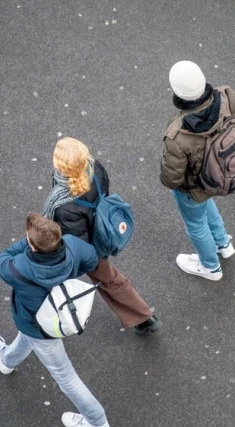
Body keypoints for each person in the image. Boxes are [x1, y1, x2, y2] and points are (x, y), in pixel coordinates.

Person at [0, 213, 109, 427]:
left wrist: (29, 241)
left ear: (33, 247)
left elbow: (2, 258)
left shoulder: (18, 269)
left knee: (66, 377)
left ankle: (97, 422)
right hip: (57, 316)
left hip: (36, 324)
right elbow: (92, 259)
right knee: (28, 339)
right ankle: (6, 360)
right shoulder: (72, 246)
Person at [43, 137, 162, 335]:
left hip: (88, 247)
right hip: (101, 233)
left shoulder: (65, 205)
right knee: (110, 279)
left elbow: (76, 243)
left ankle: (44, 316)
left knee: (46, 276)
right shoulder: (94, 168)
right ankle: (144, 317)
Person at [160, 60, 235, 281]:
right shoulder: (228, 96)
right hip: (221, 175)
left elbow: (172, 178)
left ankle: (210, 266)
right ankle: (222, 243)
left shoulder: (178, 134)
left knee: (196, 224)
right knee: (207, 206)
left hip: (196, 186)